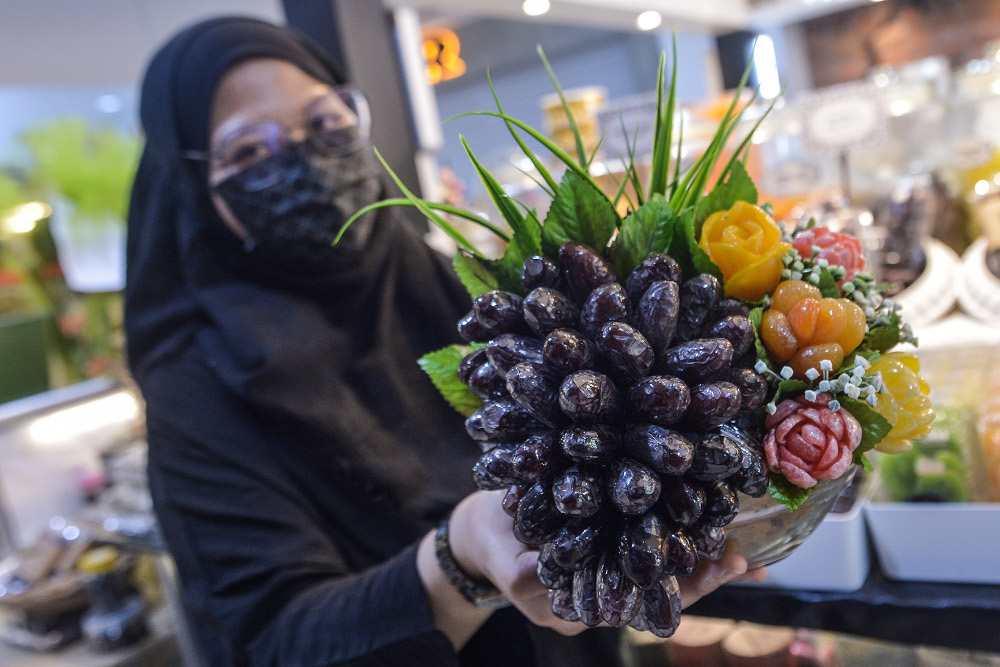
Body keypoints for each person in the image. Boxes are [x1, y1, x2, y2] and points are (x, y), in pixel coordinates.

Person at [125, 16, 763, 666]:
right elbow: (271, 637)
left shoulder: (433, 278)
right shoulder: (195, 386)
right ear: (191, 185)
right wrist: (456, 559)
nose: (305, 159)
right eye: (249, 152)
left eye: (325, 123)